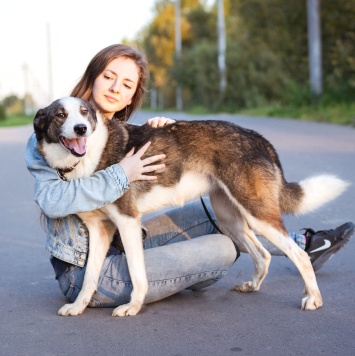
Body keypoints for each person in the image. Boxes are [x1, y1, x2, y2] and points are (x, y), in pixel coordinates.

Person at [26, 44, 354, 311]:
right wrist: (120, 175)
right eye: (109, 76)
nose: (115, 88)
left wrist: (173, 133)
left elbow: (172, 152)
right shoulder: (50, 140)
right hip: (85, 270)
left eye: (126, 84)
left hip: (130, 240)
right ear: (93, 77)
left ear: (133, 96)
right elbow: (53, 200)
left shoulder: (118, 134)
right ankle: (284, 248)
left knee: (223, 212)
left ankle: (291, 247)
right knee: (223, 248)